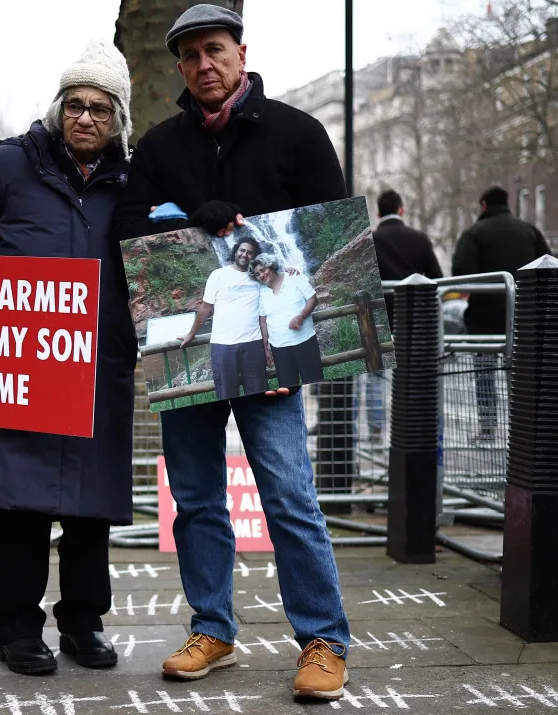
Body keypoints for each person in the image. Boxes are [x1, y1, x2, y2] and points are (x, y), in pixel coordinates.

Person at [112, 4, 351, 700]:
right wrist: (195, 216)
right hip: (190, 358)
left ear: (241, 52)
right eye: (189, 57)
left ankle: (323, 640)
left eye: (214, 50)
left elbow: (327, 241)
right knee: (195, 498)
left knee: (288, 494)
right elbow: (130, 228)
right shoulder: (158, 146)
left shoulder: (298, 134)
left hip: (272, 357)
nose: (202, 66)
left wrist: (297, 353)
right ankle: (212, 627)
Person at [0, 38, 137, 676]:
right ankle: (17, 628)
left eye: (100, 109)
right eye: (75, 105)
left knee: (90, 507)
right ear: (58, 110)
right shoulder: (9, 164)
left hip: (98, 364)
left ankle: (84, 621)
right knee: (20, 503)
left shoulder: (132, 181)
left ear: (119, 120)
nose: (85, 118)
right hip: (25, 365)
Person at [452, 185, 550, 439]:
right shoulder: (529, 231)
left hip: (485, 318)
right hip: (524, 317)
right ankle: (528, 427)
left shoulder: (475, 233)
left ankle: (488, 426)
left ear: (484, 205)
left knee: (485, 373)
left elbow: (461, 274)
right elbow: (549, 265)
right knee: (524, 372)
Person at [367, 189, 443, 438]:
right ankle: (414, 425)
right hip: (413, 319)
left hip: (379, 318)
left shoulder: (370, 239)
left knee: (376, 375)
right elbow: (438, 279)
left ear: (378, 213)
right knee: (413, 372)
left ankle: (376, 427)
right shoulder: (420, 239)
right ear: (402, 210)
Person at [180, 239, 266, 399]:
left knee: (257, 392)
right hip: (223, 345)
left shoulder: (258, 277)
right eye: (242, 250)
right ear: (235, 251)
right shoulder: (218, 275)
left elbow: (276, 281)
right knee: (227, 394)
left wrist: (288, 272)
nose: (245, 255)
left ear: (254, 256)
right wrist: (191, 334)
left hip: (254, 343)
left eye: (250, 252)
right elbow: (205, 308)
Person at [250, 254, 323, 387]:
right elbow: (263, 321)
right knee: (288, 387)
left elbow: (313, 299)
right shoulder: (262, 291)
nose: (261, 275)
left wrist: (301, 317)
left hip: (305, 342)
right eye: (257, 274)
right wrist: (266, 348)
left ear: (271, 266)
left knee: (315, 383)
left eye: (263, 270)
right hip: (279, 349)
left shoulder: (293, 277)